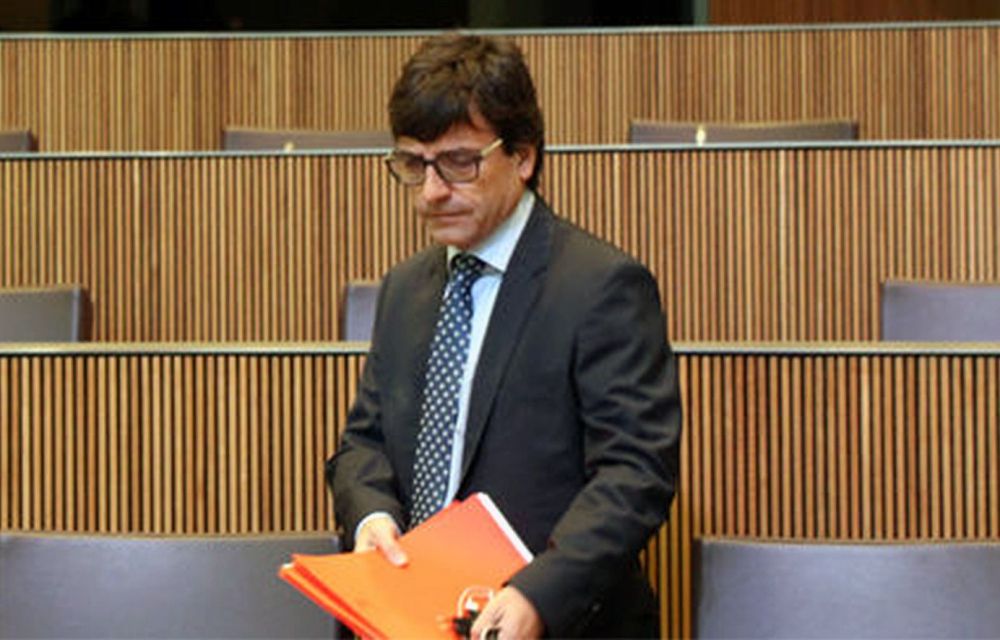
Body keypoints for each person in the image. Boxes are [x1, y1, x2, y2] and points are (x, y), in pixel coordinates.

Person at [326, 33, 681, 639]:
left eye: (459, 163)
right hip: (408, 618)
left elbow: (635, 472)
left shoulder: (602, 286)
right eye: (414, 165)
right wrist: (372, 518)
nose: (432, 192)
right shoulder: (404, 289)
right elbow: (364, 444)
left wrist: (539, 594)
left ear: (523, 157)